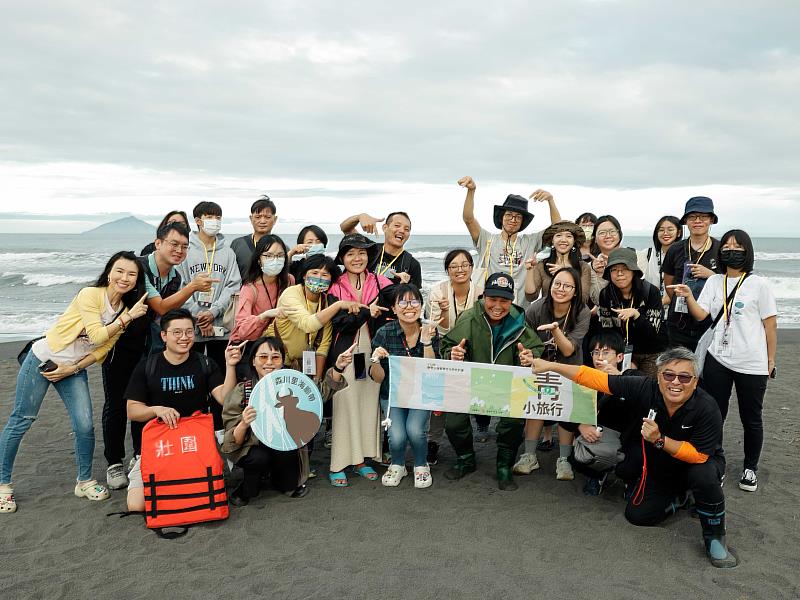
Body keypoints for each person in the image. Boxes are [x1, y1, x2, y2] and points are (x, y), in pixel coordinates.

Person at [532, 347, 737, 569]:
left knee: (703, 475)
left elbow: (698, 455)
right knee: (637, 516)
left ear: (695, 381)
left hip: (699, 463)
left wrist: (660, 440)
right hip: (662, 465)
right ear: (658, 377)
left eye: (684, 377)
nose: (675, 382)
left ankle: (715, 537)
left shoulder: (707, 407)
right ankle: (679, 499)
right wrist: (551, 366)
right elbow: (594, 378)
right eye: (668, 375)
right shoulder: (645, 387)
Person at [0, 251, 149, 513]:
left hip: (73, 368)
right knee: (22, 419)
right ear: (109, 272)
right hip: (42, 359)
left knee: (84, 425)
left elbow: (101, 350)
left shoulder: (124, 311)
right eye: (119, 271)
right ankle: (3, 485)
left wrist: (72, 368)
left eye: (131, 274)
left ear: (137, 282)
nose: (124, 278)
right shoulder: (90, 295)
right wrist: (127, 319)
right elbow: (96, 333)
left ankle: (84, 481)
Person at [102, 221, 216, 490]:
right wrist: (192, 287)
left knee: (147, 401)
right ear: (158, 243)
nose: (179, 250)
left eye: (185, 247)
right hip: (122, 347)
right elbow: (161, 307)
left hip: (151, 349)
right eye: (173, 244)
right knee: (118, 404)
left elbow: (167, 316)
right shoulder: (139, 268)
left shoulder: (174, 276)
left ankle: (140, 455)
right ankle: (114, 461)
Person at [669, 229, 777, 492]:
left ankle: (750, 468)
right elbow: (701, 315)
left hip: (752, 362)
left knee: (751, 417)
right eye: (727, 246)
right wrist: (688, 296)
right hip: (718, 358)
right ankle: (714, 463)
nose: (732, 251)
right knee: (715, 412)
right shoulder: (715, 281)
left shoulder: (758, 284)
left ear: (747, 252)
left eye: (738, 247)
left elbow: (770, 326)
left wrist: (770, 361)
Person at [125, 309, 238, 512]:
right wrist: (156, 410)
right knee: (136, 505)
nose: (184, 338)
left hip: (195, 442)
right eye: (177, 332)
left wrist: (230, 366)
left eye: (188, 332)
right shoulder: (147, 367)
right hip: (161, 443)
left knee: (203, 491)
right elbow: (133, 410)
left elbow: (225, 398)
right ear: (164, 336)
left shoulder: (205, 363)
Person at [440, 272, 544, 491]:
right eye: (492, 299)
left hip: (506, 384)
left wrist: (529, 358)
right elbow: (448, 344)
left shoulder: (519, 321)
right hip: (471, 382)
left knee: (514, 423)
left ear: (511, 300)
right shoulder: (469, 317)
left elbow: (535, 348)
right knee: (454, 421)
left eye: (504, 300)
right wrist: (454, 353)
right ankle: (466, 459)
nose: (498, 305)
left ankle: (504, 465)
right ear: (483, 296)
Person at [324, 234, 395, 487]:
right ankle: (339, 463)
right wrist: (367, 310)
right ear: (342, 258)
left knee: (368, 403)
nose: (357, 258)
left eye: (362, 253)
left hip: (373, 351)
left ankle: (362, 460)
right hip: (345, 352)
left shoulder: (380, 281)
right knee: (345, 403)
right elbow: (339, 322)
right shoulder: (334, 286)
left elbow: (393, 308)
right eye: (351, 253)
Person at [515, 267, 590, 480]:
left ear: (575, 291)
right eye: (557, 284)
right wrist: (527, 353)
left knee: (566, 409)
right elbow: (524, 339)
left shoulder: (581, 311)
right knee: (536, 406)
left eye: (568, 286)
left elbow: (568, 349)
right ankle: (529, 455)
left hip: (569, 367)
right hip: (541, 366)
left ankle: (564, 459)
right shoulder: (536, 308)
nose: (561, 289)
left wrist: (555, 330)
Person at [221, 337, 310, 505]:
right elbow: (231, 441)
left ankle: (281, 480)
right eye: (262, 357)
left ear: (283, 362)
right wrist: (244, 423)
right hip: (251, 447)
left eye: (275, 357)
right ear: (253, 361)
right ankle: (246, 488)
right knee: (258, 458)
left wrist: (338, 367)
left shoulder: (293, 387)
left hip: (281, 443)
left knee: (288, 455)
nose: (269, 362)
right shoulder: (244, 390)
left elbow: (318, 395)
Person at [176, 201, 241, 429]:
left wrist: (212, 312)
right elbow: (180, 285)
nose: (214, 221)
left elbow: (233, 286)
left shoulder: (228, 252)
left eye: (218, 216)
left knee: (220, 377)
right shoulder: (186, 250)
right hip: (191, 327)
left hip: (220, 328)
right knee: (191, 377)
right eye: (209, 216)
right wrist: (198, 314)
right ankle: (193, 426)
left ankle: (220, 428)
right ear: (198, 220)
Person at [370, 284, 440, 488]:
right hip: (393, 394)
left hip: (420, 393)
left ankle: (421, 464)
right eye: (402, 302)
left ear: (421, 305)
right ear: (393, 308)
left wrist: (426, 342)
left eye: (414, 301)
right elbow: (377, 378)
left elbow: (432, 371)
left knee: (415, 430)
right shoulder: (385, 332)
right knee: (397, 436)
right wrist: (375, 360)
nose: (409, 306)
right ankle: (398, 464)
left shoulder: (430, 331)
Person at [459, 175, 561, 306]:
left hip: (520, 309)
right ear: (501, 217)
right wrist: (471, 191)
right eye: (509, 215)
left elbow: (558, 229)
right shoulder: (487, 239)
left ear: (522, 222)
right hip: (490, 306)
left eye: (518, 217)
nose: (513, 220)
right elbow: (468, 219)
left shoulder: (530, 241)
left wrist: (551, 201)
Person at [561, 331, 642, 496]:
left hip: (630, 438)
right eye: (595, 352)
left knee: (631, 464)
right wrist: (581, 425)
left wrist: (619, 379)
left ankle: (631, 480)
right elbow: (565, 410)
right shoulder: (584, 379)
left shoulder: (633, 377)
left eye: (606, 352)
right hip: (601, 436)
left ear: (619, 357)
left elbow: (647, 402)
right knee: (579, 458)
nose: (599, 357)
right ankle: (596, 475)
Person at [424, 249, 485, 461]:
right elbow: (434, 326)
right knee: (439, 396)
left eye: (464, 264)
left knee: (468, 394)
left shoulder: (481, 292)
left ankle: (478, 425)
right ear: (447, 270)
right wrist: (443, 313)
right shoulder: (437, 291)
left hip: (473, 347)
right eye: (454, 266)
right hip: (443, 346)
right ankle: (433, 441)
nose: (459, 269)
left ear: (471, 267)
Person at [595, 247, 668, 375]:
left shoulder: (651, 292)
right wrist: (621, 356)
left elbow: (653, 332)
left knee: (647, 388)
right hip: (622, 351)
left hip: (651, 352)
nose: (619, 274)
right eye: (614, 270)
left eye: (625, 269)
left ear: (634, 271)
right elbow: (606, 330)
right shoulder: (606, 294)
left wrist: (637, 315)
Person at [662, 197, 721, 351]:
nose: (697, 221)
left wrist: (710, 275)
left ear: (711, 220)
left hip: (709, 322)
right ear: (686, 221)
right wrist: (679, 298)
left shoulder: (720, 249)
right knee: (678, 367)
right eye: (692, 217)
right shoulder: (675, 249)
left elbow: (728, 286)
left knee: (705, 370)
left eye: (703, 217)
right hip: (678, 322)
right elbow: (668, 284)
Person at [231, 234, 295, 343]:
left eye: (280, 255)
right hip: (251, 344)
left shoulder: (289, 280)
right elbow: (242, 330)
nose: (275, 260)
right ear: (259, 259)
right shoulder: (250, 288)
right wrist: (264, 316)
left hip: (277, 342)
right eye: (268, 256)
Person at [340, 211, 422, 287]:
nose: (402, 231)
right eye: (397, 226)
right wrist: (360, 216)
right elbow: (346, 228)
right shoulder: (369, 249)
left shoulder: (412, 264)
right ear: (385, 228)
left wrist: (405, 287)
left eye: (406, 229)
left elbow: (415, 299)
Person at [524, 220, 592, 304]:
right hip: (547, 314)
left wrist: (565, 273)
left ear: (574, 241)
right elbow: (531, 297)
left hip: (574, 315)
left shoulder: (583, 267)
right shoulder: (542, 265)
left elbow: (583, 299)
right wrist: (530, 270)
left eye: (568, 236)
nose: (563, 240)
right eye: (558, 235)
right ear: (552, 240)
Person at [637, 215, 682, 317]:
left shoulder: (683, 257)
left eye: (670, 229)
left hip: (675, 314)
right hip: (650, 314)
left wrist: (659, 302)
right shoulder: (647, 254)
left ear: (679, 232)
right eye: (661, 230)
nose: (665, 233)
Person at [231, 195, 278, 279]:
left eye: (267, 217)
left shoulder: (281, 248)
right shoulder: (238, 244)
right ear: (251, 218)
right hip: (242, 291)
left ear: (275, 219)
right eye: (258, 217)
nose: (262, 221)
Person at [588, 215, 623, 303]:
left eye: (612, 231)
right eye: (602, 233)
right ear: (595, 238)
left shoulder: (636, 256)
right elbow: (597, 300)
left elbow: (641, 293)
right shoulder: (591, 267)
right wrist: (601, 275)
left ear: (619, 234)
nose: (608, 236)